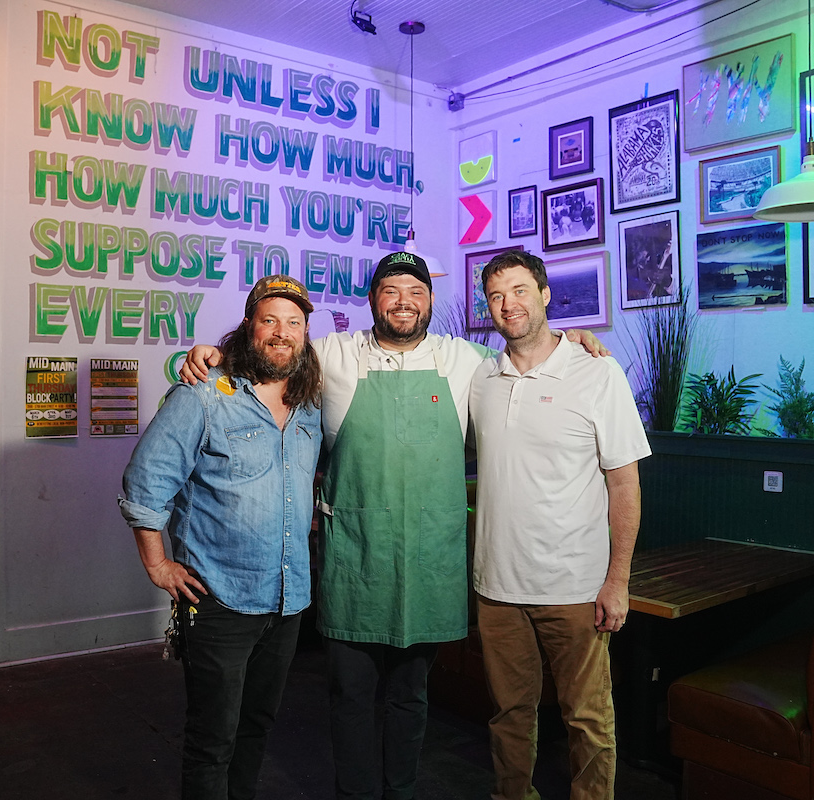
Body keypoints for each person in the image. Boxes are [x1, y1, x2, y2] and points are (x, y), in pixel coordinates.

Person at [181, 253, 607, 800]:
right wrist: (209, 353)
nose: (403, 300)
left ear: (430, 300)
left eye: (416, 290)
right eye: (390, 289)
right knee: (350, 695)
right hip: (356, 560)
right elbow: (270, 353)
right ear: (372, 299)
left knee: (411, 695)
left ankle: (400, 791)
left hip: (430, 560)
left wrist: (576, 342)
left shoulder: (469, 361)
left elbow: (529, 354)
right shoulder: (331, 354)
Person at [119, 274, 323, 800]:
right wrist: (158, 564)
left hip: (288, 599)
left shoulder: (310, 407)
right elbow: (146, 481)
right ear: (248, 328)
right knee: (213, 740)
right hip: (220, 600)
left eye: (294, 323)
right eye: (270, 320)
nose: (282, 332)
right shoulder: (205, 394)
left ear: (306, 334)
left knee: (256, 729)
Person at [468, 250, 650, 800]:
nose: (509, 305)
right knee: (507, 715)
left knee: (588, 721)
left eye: (520, 291)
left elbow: (624, 484)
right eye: (497, 296)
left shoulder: (595, 370)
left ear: (546, 295)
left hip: (575, 586)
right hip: (496, 587)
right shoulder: (481, 376)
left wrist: (617, 581)